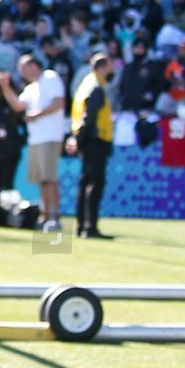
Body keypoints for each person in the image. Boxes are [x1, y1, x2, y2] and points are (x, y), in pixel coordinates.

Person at [1, 53, 65, 233]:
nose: (22, 73)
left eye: (23, 68)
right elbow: (18, 106)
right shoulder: (31, 88)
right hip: (36, 138)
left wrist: (37, 115)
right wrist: (5, 87)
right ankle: (45, 215)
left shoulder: (50, 77)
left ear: (33, 66)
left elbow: (58, 103)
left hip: (50, 136)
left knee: (49, 178)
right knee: (41, 180)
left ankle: (54, 216)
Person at [67, 52, 115, 239]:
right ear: (102, 68)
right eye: (110, 67)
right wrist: (78, 140)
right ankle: (90, 226)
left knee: (85, 182)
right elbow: (90, 117)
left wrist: (76, 138)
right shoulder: (96, 88)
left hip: (86, 139)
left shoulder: (85, 84)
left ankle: (81, 225)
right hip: (95, 141)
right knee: (95, 184)